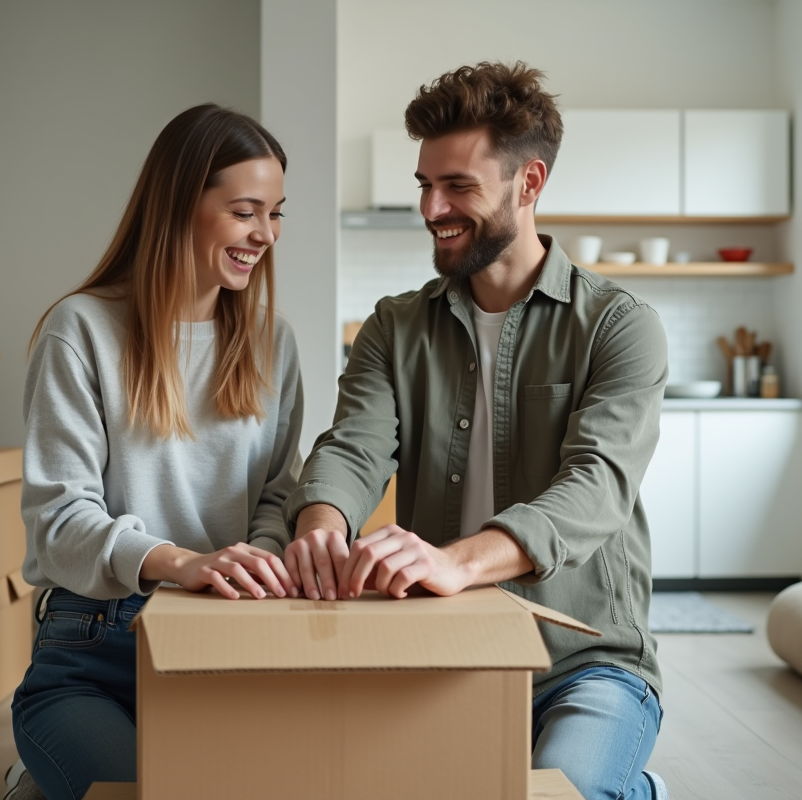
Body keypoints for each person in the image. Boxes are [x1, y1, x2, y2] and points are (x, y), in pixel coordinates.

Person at [282, 62, 669, 800]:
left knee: (565, 790)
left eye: (458, 186)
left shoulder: (620, 326)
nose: (432, 207)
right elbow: (352, 449)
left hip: (584, 663)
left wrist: (457, 561)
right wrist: (321, 529)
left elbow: (595, 489)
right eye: (425, 184)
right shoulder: (394, 326)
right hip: (439, 651)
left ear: (529, 185)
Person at [4, 103, 303, 800]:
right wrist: (183, 563)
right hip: (93, 650)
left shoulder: (270, 340)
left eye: (277, 213)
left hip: (231, 644)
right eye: (245, 211)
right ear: (178, 205)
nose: (266, 234)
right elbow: (58, 518)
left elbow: (276, 493)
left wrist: (254, 560)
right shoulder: (81, 329)